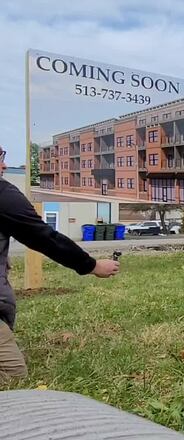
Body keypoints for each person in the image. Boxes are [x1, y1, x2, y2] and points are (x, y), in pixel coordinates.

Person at [0, 145, 120, 381]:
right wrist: (92, 265)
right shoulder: (3, 195)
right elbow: (43, 237)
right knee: (12, 374)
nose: (4, 165)